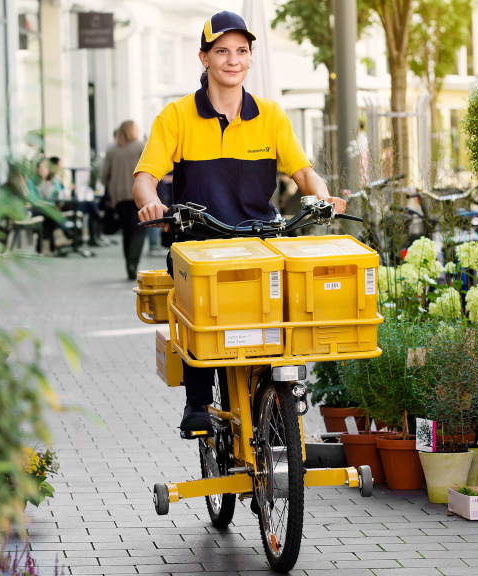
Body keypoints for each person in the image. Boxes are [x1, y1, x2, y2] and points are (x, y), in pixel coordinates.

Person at [131, 10, 346, 433]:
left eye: (241, 51)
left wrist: (321, 196)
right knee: (197, 314)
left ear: (250, 59)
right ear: (204, 58)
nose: (232, 59)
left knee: (281, 311)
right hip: (200, 241)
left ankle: (279, 392)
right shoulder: (176, 116)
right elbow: (145, 177)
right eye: (222, 51)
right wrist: (152, 204)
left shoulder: (270, 115)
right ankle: (197, 401)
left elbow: (302, 171)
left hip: (260, 239)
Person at [101, 120, 147, 279]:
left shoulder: (112, 150)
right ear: (131, 130)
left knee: (127, 231)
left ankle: (129, 262)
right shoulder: (141, 147)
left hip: (119, 197)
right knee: (139, 230)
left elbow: (103, 175)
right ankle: (133, 262)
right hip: (139, 195)